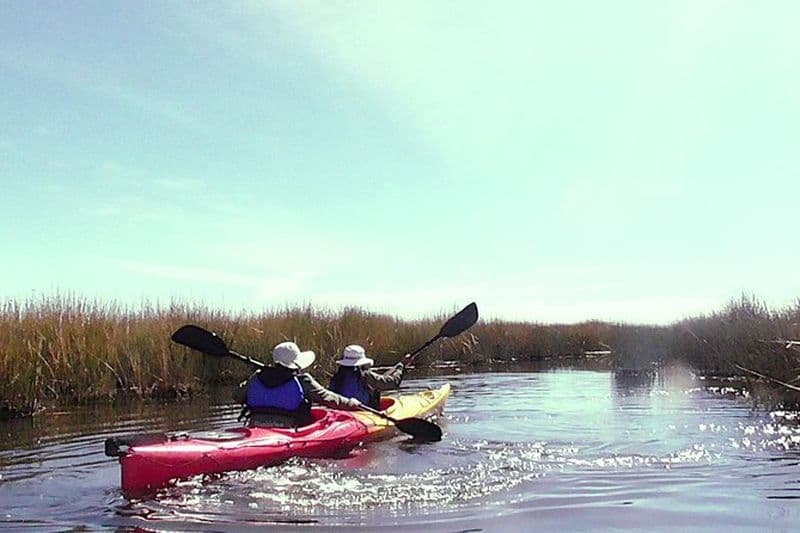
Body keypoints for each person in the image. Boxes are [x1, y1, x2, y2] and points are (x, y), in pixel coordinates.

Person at [233, 341, 362, 428]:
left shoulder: (257, 377)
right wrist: (351, 403)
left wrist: (262, 375)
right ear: (296, 363)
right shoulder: (302, 380)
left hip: (255, 426)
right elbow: (329, 398)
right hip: (288, 430)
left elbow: (237, 395)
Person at [328, 344, 413, 409]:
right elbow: (393, 382)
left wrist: (399, 365)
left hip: (342, 412)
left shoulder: (336, 377)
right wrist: (402, 366)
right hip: (363, 413)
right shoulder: (366, 376)